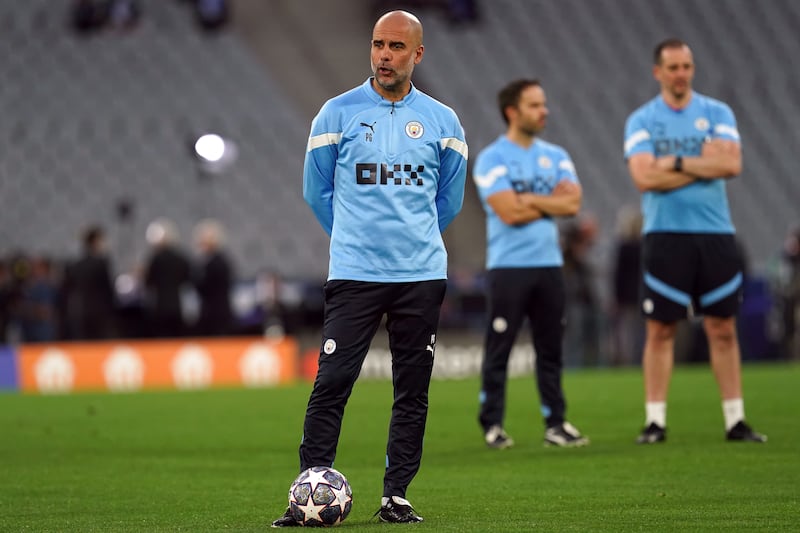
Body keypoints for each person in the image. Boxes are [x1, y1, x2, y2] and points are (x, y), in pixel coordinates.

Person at [271, 10, 467, 526]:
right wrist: (357, 239)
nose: (384, 55)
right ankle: (309, 492)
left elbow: (449, 201)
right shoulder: (335, 114)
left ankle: (396, 495)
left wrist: (411, 239)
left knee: (412, 388)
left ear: (417, 54)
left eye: (396, 47)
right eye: (378, 44)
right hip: (355, 273)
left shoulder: (444, 122)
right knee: (333, 379)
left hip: (420, 274)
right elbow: (317, 193)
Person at [623, 38, 766, 444]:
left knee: (722, 328)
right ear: (658, 72)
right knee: (661, 329)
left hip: (716, 233)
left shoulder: (716, 112)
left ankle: (735, 420)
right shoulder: (643, 119)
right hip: (665, 235)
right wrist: (704, 164)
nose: (681, 73)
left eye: (686, 66)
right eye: (673, 67)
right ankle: (655, 421)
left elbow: (732, 163)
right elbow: (644, 178)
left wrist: (676, 161)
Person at [472, 79, 589, 450]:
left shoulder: (555, 154)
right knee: (500, 347)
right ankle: (492, 424)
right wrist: (546, 200)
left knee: (551, 347)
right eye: (535, 105)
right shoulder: (492, 157)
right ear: (513, 111)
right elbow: (508, 212)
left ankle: (556, 422)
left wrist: (525, 198)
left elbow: (572, 205)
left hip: (549, 265)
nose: (544, 111)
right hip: (509, 267)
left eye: (543, 104)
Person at [62, 226, 116, 340]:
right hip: (101, 312)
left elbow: (67, 290)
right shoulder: (101, 263)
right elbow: (108, 289)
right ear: (95, 241)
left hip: (81, 311)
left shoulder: (76, 265)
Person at [143, 218, 192, 338]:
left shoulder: (156, 259)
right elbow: (188, 279)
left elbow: (148, 282)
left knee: (162, 338)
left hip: (160, 306)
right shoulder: (181, 258)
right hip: (177, 305)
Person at [191, 219, 234, 336]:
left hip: (215, 314)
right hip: (216, 312)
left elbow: (206, 287)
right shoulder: (221, 261)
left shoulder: (214, 263)